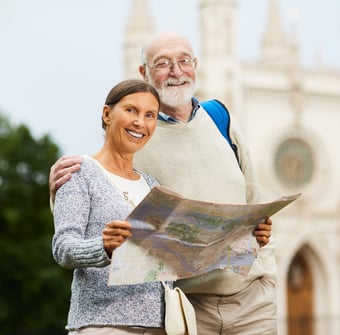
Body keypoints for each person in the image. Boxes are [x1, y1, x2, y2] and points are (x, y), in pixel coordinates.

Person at [50, 32, 277, 335]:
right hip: (183, 307)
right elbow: (87, 211)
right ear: (143, 73)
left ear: (196, 65)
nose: (177, 71)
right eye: (163, 63)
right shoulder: (134, 143)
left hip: (252, 298)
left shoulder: (221, 118)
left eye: (184, 61)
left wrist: (261, 239)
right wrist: (58, 191)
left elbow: (255, 204)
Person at [52, 79, 167, 334]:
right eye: (131, 110)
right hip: (103, 324)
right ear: (107, 114)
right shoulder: (78, 172)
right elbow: (63, 247)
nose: (141, 122)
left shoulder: (153, 186)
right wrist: (102, 246)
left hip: (160, 326)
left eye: (150, 115)